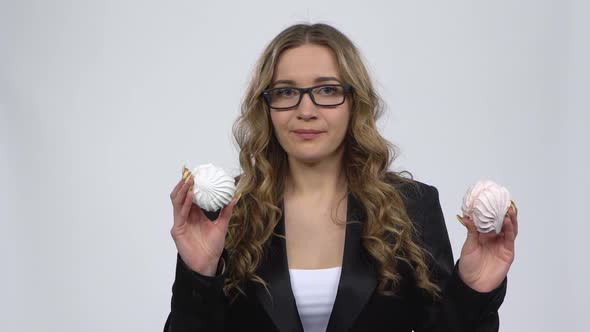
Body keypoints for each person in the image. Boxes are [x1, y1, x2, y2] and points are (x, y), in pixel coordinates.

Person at [164, 23, 518, 332]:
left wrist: (474, 289)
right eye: (286, 92)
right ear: (266, 106)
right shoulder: (230, 214)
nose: (306, 110)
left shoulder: (412, 207)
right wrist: (199, 275)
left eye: (327, 90)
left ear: (355, 102)